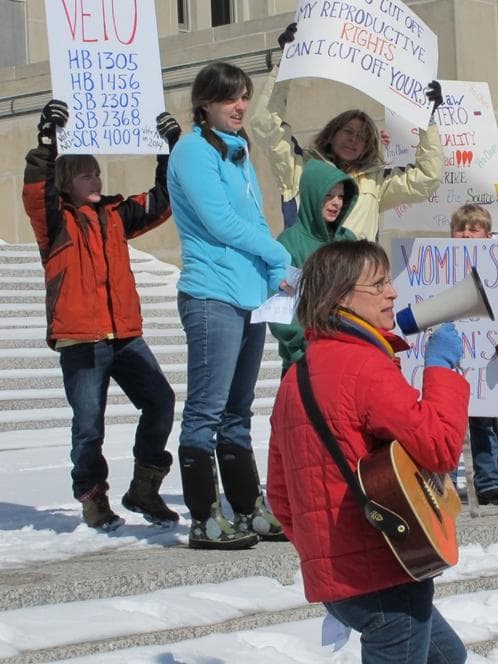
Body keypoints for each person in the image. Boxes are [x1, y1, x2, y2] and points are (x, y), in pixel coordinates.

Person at [267, 240, 469, 662]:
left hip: (342, 577)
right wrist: (441, 370)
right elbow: (441, 446)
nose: (392, 293)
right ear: (340, 297)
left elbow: (281, 497)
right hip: (385, 572)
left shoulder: (295, 376)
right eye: (377, 285)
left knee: (447, 657)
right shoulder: (363, 365)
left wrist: (328, 551)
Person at [22, 100, 180, 531]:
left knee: (161, 402)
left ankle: (144, 487)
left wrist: (168, 149)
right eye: (86, 172)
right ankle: (93, 497)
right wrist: (46, 140)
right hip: (81, 339)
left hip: (125, 336)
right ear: (66, 182)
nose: (96, 178)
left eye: (96, 171)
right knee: (89, 427)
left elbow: (162, 200)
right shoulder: (54, 222)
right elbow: (37, 190)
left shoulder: (115, 214)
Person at [167, 62, 292, 550]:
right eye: (229, 99)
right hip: (210, 293)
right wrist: (278, 252)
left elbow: (255, 220)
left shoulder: (237, 150)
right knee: (206, 410)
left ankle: (246, 507)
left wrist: (272, 273)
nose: (240, 106)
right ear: (205, 104)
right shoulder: (193, 151)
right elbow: (219, 223)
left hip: (247, 296)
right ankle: (203, 518)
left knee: (238, 411)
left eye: (244, 97)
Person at [248, 22, 444, 239]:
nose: (353, 139)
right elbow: (266, 125)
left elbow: (427, 178)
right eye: (348, 131)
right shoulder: (300, 167)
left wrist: (427, 119)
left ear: (367, 147)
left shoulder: (377, 182)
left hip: (359, 271)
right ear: (331, 134)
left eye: (362, 137)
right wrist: (285, 65)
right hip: (309, 269)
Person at [451, 204, 498, 505]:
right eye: (461, 229)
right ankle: (443, 485)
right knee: (447, 426)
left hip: (485, 362)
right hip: (447, 364)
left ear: (487, 234)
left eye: (474, 229)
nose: (467, 235)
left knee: (483, 426)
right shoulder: (438, 266)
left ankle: (487, 482)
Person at [268, 159, 358, 373]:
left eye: (341, 196)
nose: (336, 202)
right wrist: (304, 347)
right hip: (304, 362)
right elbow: (281, 310)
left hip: (349, 357)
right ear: (311, 195)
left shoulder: (350, 241)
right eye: (328, 195)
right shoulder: (289, 243)